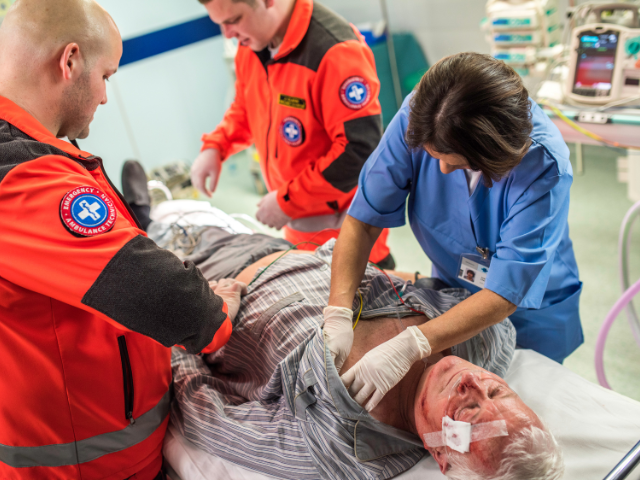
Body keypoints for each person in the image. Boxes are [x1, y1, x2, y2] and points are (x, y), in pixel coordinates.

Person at [0, 1, 245, 478]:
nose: (106, 97)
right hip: (92, 465)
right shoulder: (20, 181)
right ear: (69, 62)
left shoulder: (30, 159)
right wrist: (216, 313)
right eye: (106, 76)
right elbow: (174, 301)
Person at [164, 231, 564, 480]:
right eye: (496, 393)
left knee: (150, 239)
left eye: (469, 411)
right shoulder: (487, 338)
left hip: (213, 281)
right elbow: (452, 290)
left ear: (441, 454)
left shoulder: (338, 446)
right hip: (289, 248)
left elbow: (198, 410)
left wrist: (197, 329)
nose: (471, 381)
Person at [325, 52, 583, 414]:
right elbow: (364, 219)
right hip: (454, 287)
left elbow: (505, 291)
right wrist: (337, 310)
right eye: (433, 157)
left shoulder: (542, 164)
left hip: (531, 309)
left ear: (493, 154)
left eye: (456, 161)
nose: (441, 169)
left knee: (517, 408)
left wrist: (411, 345)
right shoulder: (423, 116)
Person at [190, 0, 395, 268]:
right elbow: (247, 105)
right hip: (301, 236)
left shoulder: (335, 51)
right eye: (220, 24)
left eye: (233, 20)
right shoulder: (252, 44)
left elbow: (357, 152)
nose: (227, 34)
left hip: (351, 242)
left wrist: (287, 201)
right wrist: (216, 146)